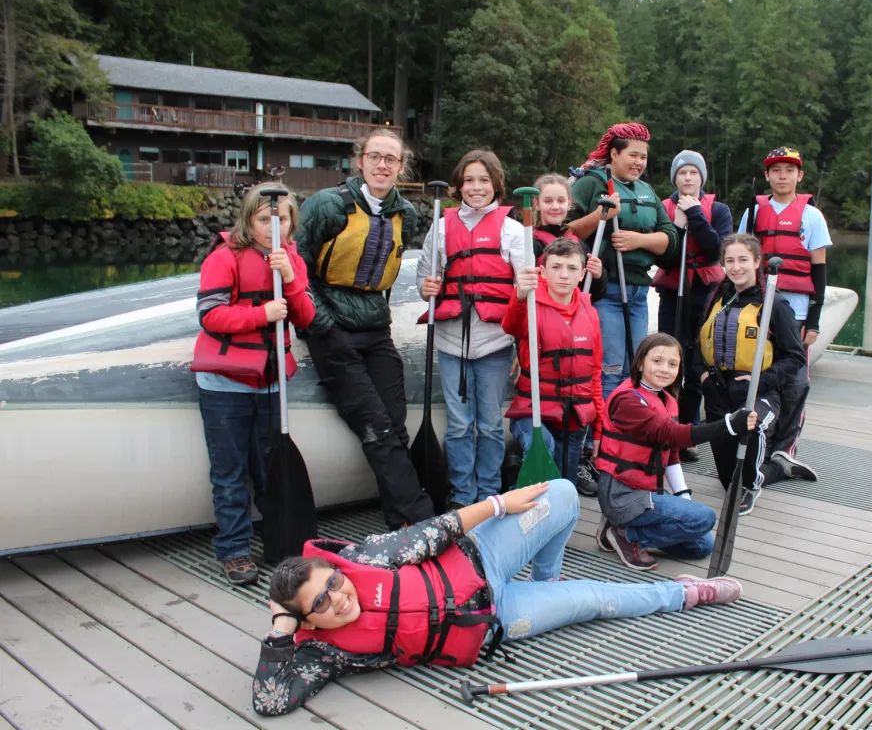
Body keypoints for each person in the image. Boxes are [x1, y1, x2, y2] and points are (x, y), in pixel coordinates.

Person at [252, 480, 744, 716]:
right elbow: (269, 702)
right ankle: (682, 595)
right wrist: (279, 629)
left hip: (483, 556)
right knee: (596, 601)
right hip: (497, 620)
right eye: (319, 605)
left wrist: (496, 506)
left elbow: (432, 531)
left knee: (567, 493)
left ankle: (549, 580)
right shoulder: (324, 652)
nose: (337, 598)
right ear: (306, 624)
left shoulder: (367, 557)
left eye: (332, 583)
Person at [297, 128, 435, 530]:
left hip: (375, 329)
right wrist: (322, 324)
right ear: (360, 160)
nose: (382, 165)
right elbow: (298, 268)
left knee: (395, 425)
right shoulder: (327, 205)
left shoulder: (405, 214)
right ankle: (419, 519)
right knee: (377, 428)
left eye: (391, 159)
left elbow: (386, 276)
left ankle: (402, 518)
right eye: (375, 156)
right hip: (330, 329)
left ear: (400, 168)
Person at [191, 183, 315, 585]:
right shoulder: (224, 257)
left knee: (267, 469)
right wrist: (263, 313)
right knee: (230, 472)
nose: (272, 227)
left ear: (291, 223)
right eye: (264, 219)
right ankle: (234, 549)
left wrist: (290, 278)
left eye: (280, 219)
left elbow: (306, 317)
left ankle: (279, 542)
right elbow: (210, 316)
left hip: (269, 380)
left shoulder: (291, 259)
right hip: (225, 383)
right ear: (249, 220)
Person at [594, 333, 759, 571]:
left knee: (701, 545)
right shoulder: (628, 402)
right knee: (704, 518)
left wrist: (683, 497)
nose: (665, 369)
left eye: (672, 364)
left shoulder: (667, 400)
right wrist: (730, 425)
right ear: (640, 363)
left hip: (648, 493)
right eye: (657, 361)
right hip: (622, 494)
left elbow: (671, 452)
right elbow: (674, 435)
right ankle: (627, 535)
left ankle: (619, 530)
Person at [418, 150, 525, 509]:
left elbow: (524, 296)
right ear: (458, 185)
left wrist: (523, 348)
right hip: (451, 341)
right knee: (460, 425)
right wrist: (426, 288)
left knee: (491, 425)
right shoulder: (442, 224)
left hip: (495, 342)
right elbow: (424, 278)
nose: (476, 187)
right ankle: (463, 496)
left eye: (483, 180)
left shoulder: (511, 229)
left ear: (496, 184)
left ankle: (489, 494)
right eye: (468, 180)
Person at [736, 146, 832, 480]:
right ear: (767, 176)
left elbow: (819, 269)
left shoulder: (811, 216)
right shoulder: (753, 212)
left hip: (797, 310)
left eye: (789, 170)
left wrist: (815, 320)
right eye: (775, 170)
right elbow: (740, 260)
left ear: (799, 176)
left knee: (794, 381)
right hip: (758, 306)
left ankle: (785, 448)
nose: (782, 176)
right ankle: (755, 441)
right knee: (757, 374)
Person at [565, 123, 679, 402]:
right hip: (607, 292)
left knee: (636, 368)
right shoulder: (591, 183)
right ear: (614, 154)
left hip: (639, 292)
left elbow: (670, 239)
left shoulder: (647, 190)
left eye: (644, 157)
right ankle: (604, 438)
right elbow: (566, 232)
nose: (639, 163)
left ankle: (626, 433)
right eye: (633, 155)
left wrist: (638, 241)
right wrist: (601, 215)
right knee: (611, 370)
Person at [698, 234, 808, 517]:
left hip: (758, 391)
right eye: (730, 260)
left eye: (743, 260)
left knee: (752, 425)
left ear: (758, 262)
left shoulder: (774, 304)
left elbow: (795, 357)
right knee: (727, 480)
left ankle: (754, 482)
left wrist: (763, 381)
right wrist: (702, 376)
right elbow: (698, 343)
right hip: (719, 391)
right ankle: (777, 467)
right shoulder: (717, 298)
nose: (736, 267)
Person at [503, 237, 604, 497]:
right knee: (543, 445)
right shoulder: (530, 306)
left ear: (582, 274)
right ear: (543, 271)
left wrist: (599, 427)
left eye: (571, 268)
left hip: (573, 415)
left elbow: (593, 373)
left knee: (565, 486)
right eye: (556, 267)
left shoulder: (589, 312)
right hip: (534, 411)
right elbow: (511, 326)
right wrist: (519, 295)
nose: (563, 275)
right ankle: (523, 500)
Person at [651, 150, 734, 463]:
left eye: (693, 173)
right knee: (667, 356)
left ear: (702, 178)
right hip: (674, 292)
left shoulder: (720, 210)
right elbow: (663, 257)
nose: (688, 178)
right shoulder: (664, 208)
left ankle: (688, 431)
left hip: (705, 292)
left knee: (697, 361)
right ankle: (663, 426)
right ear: (675, 178)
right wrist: (676, 226)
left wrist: (696, 216)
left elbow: (717, 250)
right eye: (682, 173)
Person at [531, 173, 607, 304]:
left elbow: (595, 294)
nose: (555, 207)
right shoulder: (531, 244)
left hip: (573, 314)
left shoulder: (580, 246)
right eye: (548, 201)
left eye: (561, 201)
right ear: (537, 203)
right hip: (542, 313)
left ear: (569, 203)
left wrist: (598, 275)